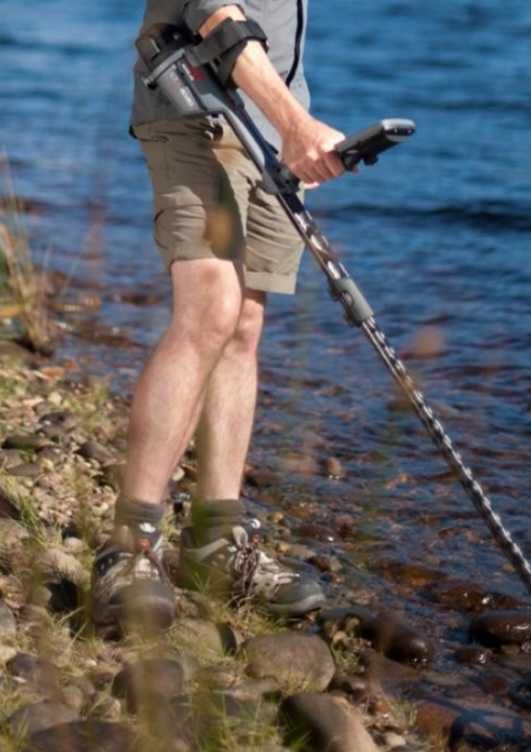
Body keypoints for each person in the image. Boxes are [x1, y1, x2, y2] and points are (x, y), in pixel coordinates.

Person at [91, 0, 345, 634]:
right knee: (210, 304)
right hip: (193, 107)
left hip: (270, 121)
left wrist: (288, 117)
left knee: (243, 326)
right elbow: (216, 14)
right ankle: (130, 547)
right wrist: (298, 125)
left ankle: (216, 545)